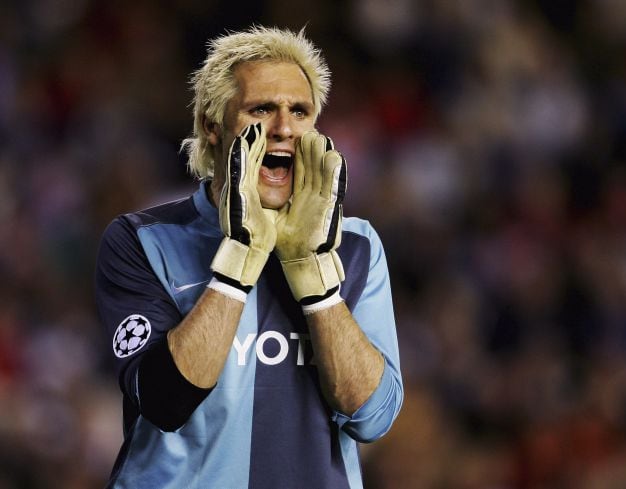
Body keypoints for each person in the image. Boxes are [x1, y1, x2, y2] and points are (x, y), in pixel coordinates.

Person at [94, 25, 403, 489]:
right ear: (211, 126)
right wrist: (240, 258)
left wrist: (314, 276)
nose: (282, 128)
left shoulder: (356, 247)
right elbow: (163, 402)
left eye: (299, 111)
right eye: (262, 109)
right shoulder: (141, 241)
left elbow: (373, 418)